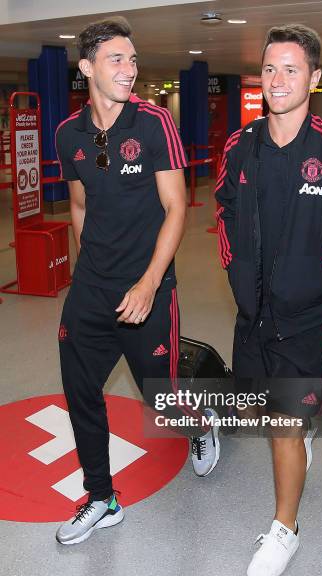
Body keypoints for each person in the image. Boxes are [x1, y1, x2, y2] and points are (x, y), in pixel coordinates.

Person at [216, 24, 322, 576]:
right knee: (267, 412)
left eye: (290, 69)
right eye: (269, 68)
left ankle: (284, 528)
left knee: (284, 424)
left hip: (308, 316)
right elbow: (222, 214)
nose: (277, 80)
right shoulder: (240, 147)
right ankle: (302, 429)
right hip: (253, 314)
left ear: (314, 77)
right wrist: (234, 268)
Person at [55, 17, 219, 546]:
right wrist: (90, 272)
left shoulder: (153, 124)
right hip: (92, 289)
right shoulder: (68, 134)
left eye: (132, 59)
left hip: (149, 288)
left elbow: (176, 209)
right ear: (87, 68)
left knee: (160, 397)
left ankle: (200, 424)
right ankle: (101, 498)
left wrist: (149, 283)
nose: (130, 69)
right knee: (80, 391)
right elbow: (80, 206)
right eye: (116, 60)